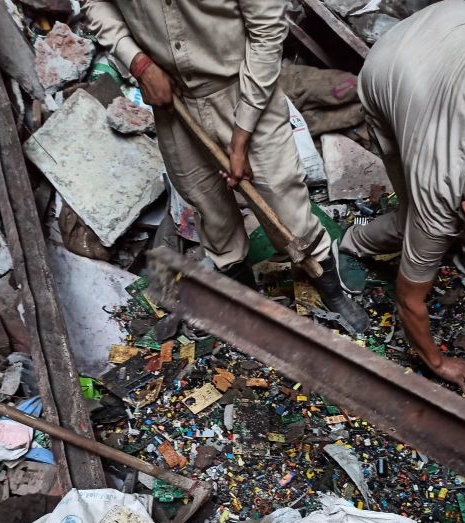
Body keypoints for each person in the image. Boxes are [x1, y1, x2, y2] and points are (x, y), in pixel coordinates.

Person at [80, 0, 368, 332]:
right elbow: (95, 4)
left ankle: (329, 288)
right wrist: (139, 62)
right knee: (210, 211)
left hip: (242, 90)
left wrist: (241, 136)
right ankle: (248, 305)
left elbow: (267, 32)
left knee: (285, 204)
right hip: (173, 102)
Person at [340, 0, 465, 397]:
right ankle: (352, 245)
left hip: (452, 29)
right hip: (390, 67)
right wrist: (437, 361)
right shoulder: (435, 212)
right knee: (408, 218)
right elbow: (410, 300)